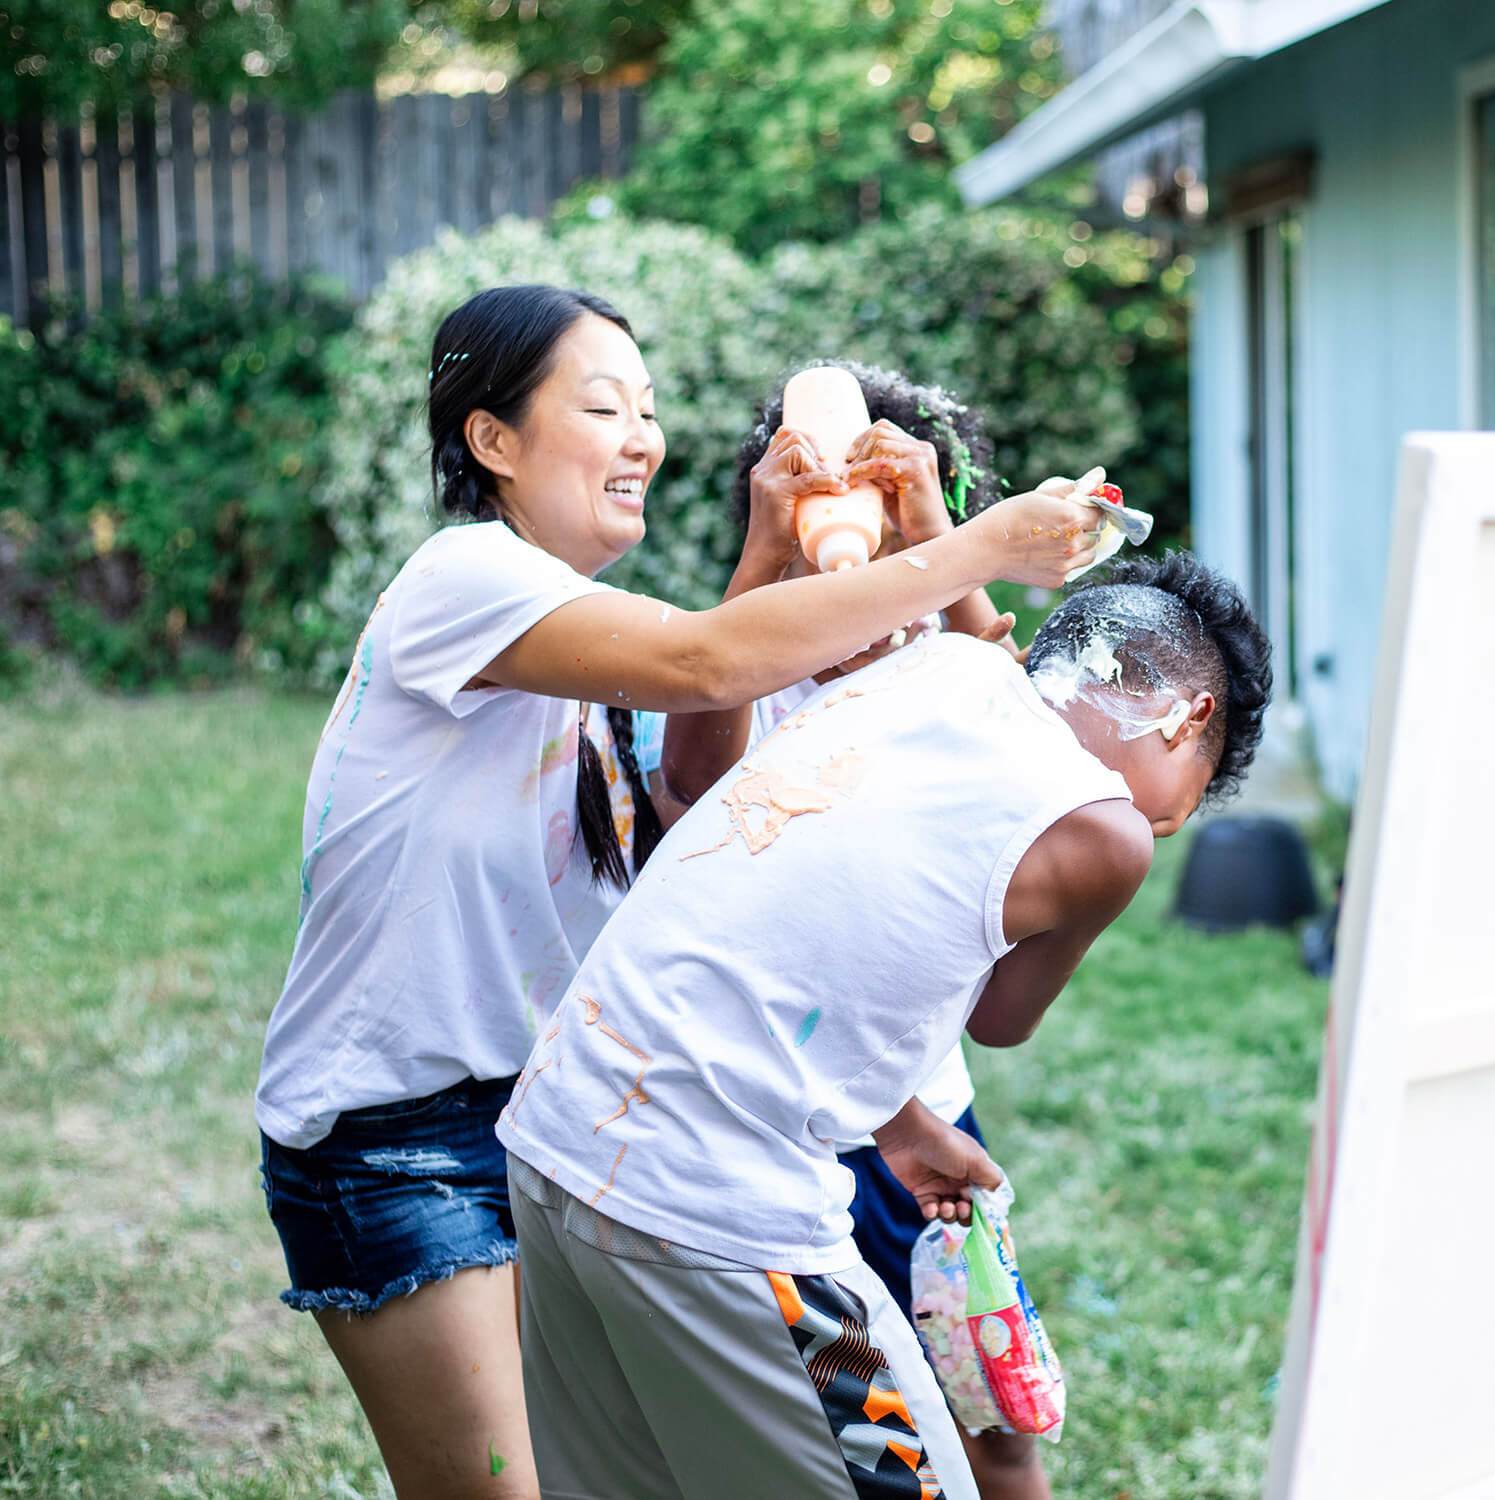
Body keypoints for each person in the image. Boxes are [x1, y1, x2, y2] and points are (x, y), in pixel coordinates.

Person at [253, 284, 1108, 1500]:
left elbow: (688, 864)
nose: (643, 436)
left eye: (649, 410)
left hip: (557, 1124)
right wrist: (972, 550)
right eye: (604, 406)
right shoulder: (464, 580)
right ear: (491, 441)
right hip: (402, 1140)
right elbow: (703, 660)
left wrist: (899, 1125)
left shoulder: (597, 649)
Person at [498, 552, 1273, 1500]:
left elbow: (785, 935)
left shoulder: (929, 670)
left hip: (557, 1132)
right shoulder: (1101, 831)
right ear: (1191, 717)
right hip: (713, 1201)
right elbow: (1000, 1020)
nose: (1152, 825)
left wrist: (902, 1128)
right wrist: (1127, 839)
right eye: (1177, 810)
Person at [662, 362, 1049, 1499]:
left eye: (891, 530)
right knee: (845, 1416)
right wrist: (763, 563)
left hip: (918, 1124)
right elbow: (690, 780)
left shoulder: (950, 663)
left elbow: (1039, 756)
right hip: (785, 1129)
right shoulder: (754, 655)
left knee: (989, 1405)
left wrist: (949, 543)